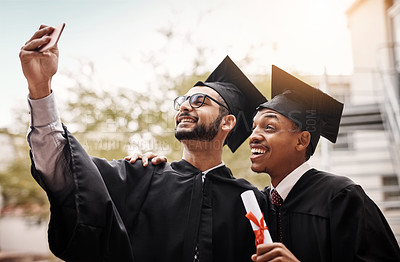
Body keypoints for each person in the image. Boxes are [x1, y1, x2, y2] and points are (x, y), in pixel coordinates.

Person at [20, 25, 269, 262]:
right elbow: (65, 170)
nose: (184, 106)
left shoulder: (250, 200)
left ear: (227, 122)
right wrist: (40, 88)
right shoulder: (139, 176)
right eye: (182, 101)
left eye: (200, 101)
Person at [249, 65, 400, 261]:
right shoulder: (261, 203)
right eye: (253, 128)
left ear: (301, 141)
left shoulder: (342, 197)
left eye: (269, 127)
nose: (253, 137)